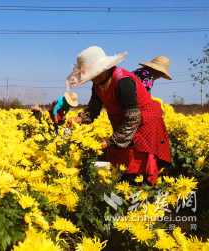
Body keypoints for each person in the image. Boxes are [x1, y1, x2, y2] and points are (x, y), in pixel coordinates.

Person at [66, 46, 171, 186]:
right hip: (125, 123)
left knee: (135, 166)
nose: (91, 79)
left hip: (145, 123)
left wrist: (110, 142)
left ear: (104, 68)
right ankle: (122, 196)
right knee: (122, 163)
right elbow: (93, 108)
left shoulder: (123, 82)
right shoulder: (98, 83)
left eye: (93, 74)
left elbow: (133, 118)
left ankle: (137, 196)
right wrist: (80, 119)